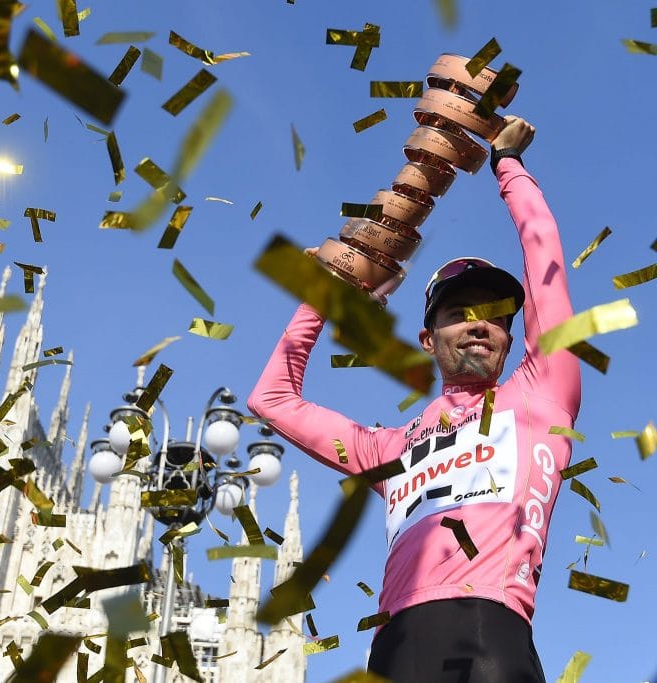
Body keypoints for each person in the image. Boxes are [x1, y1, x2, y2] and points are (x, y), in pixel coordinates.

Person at [247, 116, 581, 683]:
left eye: (492, 318)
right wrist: (321, 299)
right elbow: (272, 399)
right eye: (459, 314)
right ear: (428, 340)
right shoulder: (390, 448)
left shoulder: (542, 391)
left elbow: (543, 254)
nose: (478, 326)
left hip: (491, 631)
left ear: (512, 337)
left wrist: (508, 166)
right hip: (394, 646)